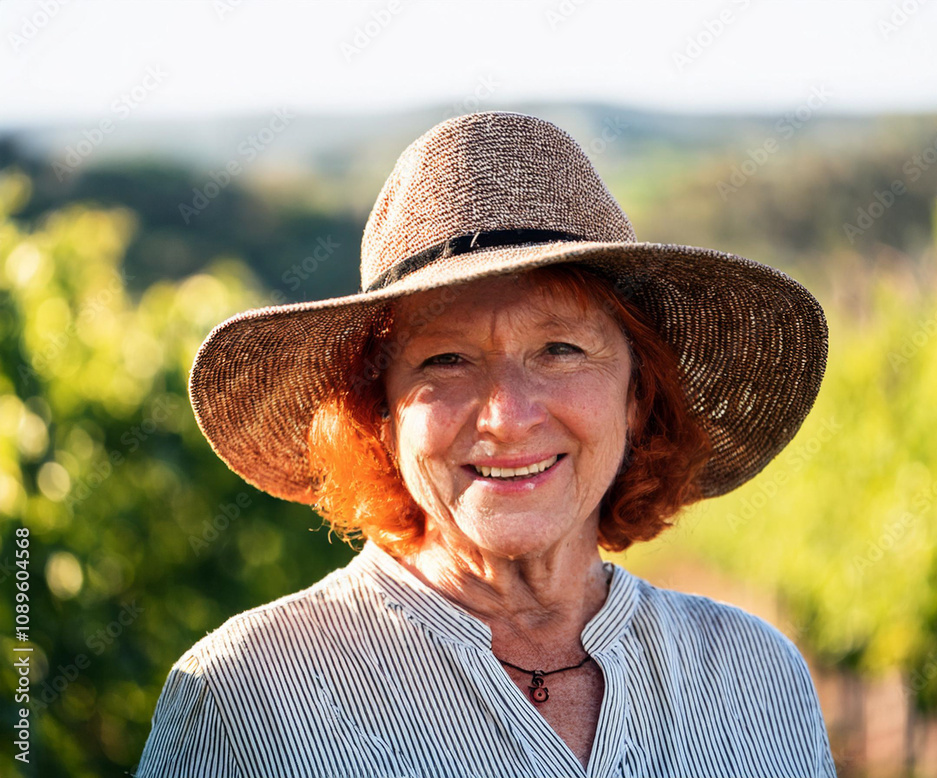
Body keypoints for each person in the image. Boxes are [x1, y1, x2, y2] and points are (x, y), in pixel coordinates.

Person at [135, 111, 836, 777]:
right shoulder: (245, 700)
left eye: (560, 350)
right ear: (378, 411)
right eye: (446, 360)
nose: (506, 417)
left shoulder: (754, 676)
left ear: (637, 394)